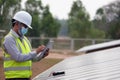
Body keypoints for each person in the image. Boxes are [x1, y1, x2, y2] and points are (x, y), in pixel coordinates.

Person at [2, 11, 49, 80]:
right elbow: (18, 57)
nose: (26, 29)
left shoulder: (25, 40)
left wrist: (42, 55)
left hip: (26, 77)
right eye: (25, 26)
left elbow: (32, 58)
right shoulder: (9, 39)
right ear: (17, 23)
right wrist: (36, 51)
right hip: (13, 78)